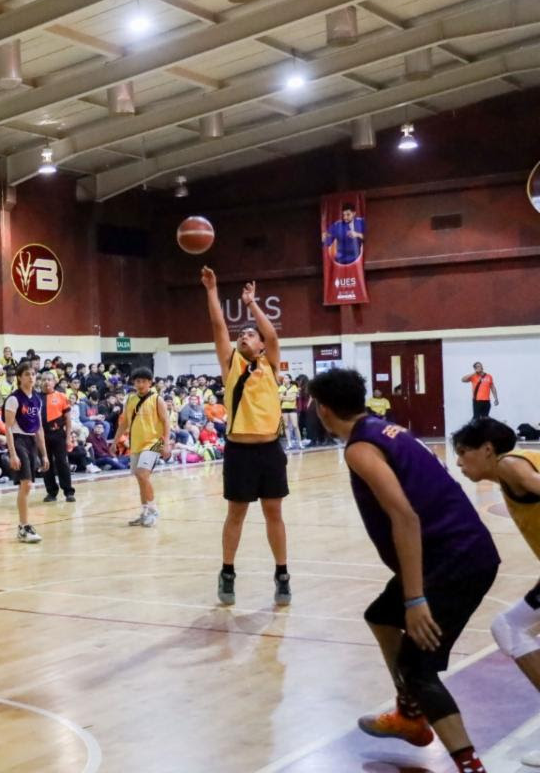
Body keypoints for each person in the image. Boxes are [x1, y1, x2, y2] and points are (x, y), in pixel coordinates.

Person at [310, 368, 498, 773]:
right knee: (381, 616)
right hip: (454, 551)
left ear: (323, 410)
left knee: (417, 669)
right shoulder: (387, 429)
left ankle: (470, 765)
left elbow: (405, 517)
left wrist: (415, 598)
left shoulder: (361, 448)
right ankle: (410, 716)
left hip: (455, 559)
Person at [451, 417, 540, 768]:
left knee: (510, 627)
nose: (458, 462)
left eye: (463, 453)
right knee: (511, 626)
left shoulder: (509, 466)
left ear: (487, 450)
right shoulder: (522, 461)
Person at [203, 267, 291, 607]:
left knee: (274, 513)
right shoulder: (230, 364)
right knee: (236, 513)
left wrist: (252, 304)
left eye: (251, 335)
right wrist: (212, 290)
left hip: (270, 449)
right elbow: (218, 327)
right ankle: (227, 571)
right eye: (242, 335)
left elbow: (273, 336)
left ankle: (282, 574)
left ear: (261, 344)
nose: (245, 337)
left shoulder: (270, 364)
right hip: (239, 451)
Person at [117, 369, 172, 528]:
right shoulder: (130, 399)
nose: (140, 384)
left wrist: (166, 443)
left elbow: (166, 422)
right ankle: (145, 512)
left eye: (143, 381)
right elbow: (124, 423)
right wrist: (114, 441)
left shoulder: (157, 399)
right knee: (141, 479)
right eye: (137, 381)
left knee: (142, 474)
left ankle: (153, 510)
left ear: (150, 382)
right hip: (136, 443)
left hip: (156, 442)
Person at [4, 362, 48, 544]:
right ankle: (24, 526)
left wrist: (44, 454)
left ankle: (23, 526)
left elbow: (39, 429)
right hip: (18, 439)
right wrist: (13, 453)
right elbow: (7, 427)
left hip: (31, 441)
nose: (31, 377)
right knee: (26, 484)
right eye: (27, 374)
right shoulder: (14, 399)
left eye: (33, 374)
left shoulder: (37, 399)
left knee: (26, 486)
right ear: (19, 377)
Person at [39, 372, 75, 504]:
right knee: (45, 464)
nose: (46, 382)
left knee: (62, 463)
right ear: (40, 382)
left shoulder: (61, 396)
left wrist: (68, 437)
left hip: (58, 435)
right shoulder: (35, 398)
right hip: (42, 436)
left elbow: (68, 420)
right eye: (44, 380)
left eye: (49, 379)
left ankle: (68, 492)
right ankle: (51, 492)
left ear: (54, 382)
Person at [279, 374, 302, 450]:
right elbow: (280, 398)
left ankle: (300, 443)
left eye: (286, 378)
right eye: (284, 378)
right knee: (286, 426)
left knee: (295, 425)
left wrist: (285, 397)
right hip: (284, 408)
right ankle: (289, 443)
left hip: (292, 408)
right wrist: (287, 397)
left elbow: (293, 398)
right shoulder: (281, 387)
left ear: (290, 379)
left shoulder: (294, 387)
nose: (284, 379)